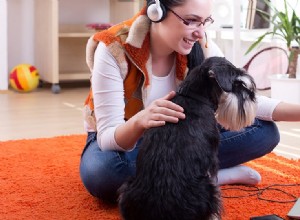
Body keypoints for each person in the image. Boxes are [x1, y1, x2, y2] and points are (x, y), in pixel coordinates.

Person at [80, 0, 300, 203]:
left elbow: (244, 100)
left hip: (182, 137)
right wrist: (141, 120)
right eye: (191, 20)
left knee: (265, 132)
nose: (200, 32)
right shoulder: (113, 48)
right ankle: (209, 177)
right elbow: (107, 137)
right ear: (157, 11)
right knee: (104, 172)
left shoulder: (201, 44)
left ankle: (194, 178)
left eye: (205, 22)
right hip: (127, 141)